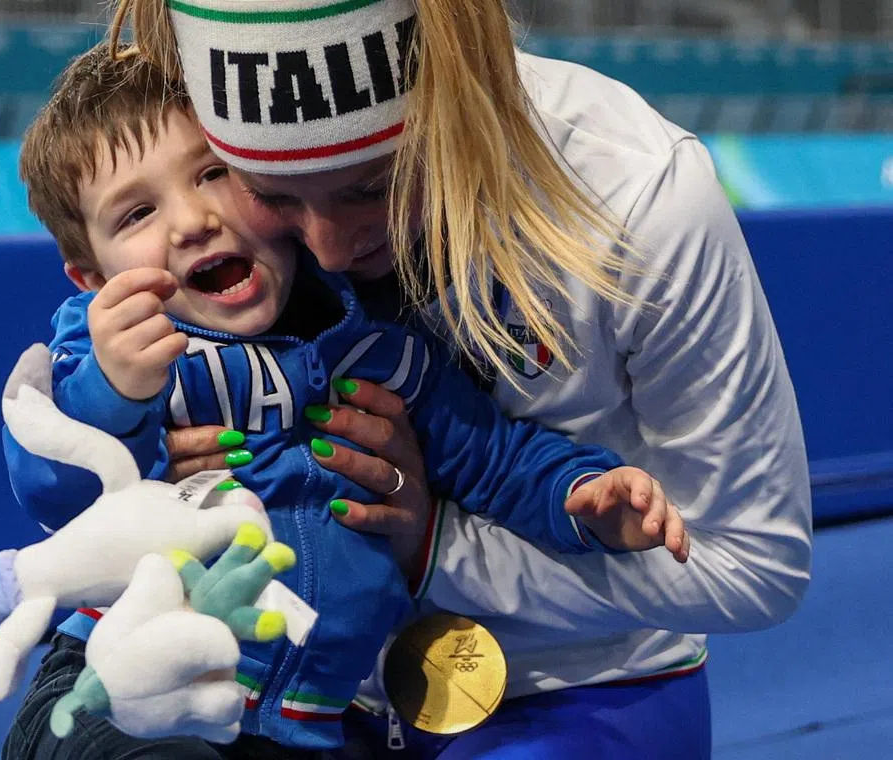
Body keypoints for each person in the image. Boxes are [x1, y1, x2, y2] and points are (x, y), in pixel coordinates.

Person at [91, 0, 815, 758]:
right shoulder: (193, 190)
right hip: (296, 695)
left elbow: (755, 566)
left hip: (579, 693)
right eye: (272, 196)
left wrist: (435, 550)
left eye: (374, 187)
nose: (329, 250)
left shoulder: (634, 194)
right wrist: (147, 468)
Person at [1, 42, 689, 759]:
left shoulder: (378, 346)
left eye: (212, 174)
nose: (192, 220)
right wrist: (114, 395)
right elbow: (56, 488)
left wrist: (582, 494)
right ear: (89, 275)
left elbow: (491, 454)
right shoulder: (111, 346)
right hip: (122, 689)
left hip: (306, 723)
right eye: (137, 213)